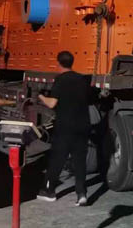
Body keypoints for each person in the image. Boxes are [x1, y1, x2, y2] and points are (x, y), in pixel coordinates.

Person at [37, 50, 92, 206]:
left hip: (65, 126)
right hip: (82, 125)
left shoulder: (60, 79)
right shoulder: (82, 79)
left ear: (59, 63)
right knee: (79, 161)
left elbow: (52, 103)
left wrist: (40, 96)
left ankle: (49, 191)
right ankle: (81, 194)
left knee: (57, 159)